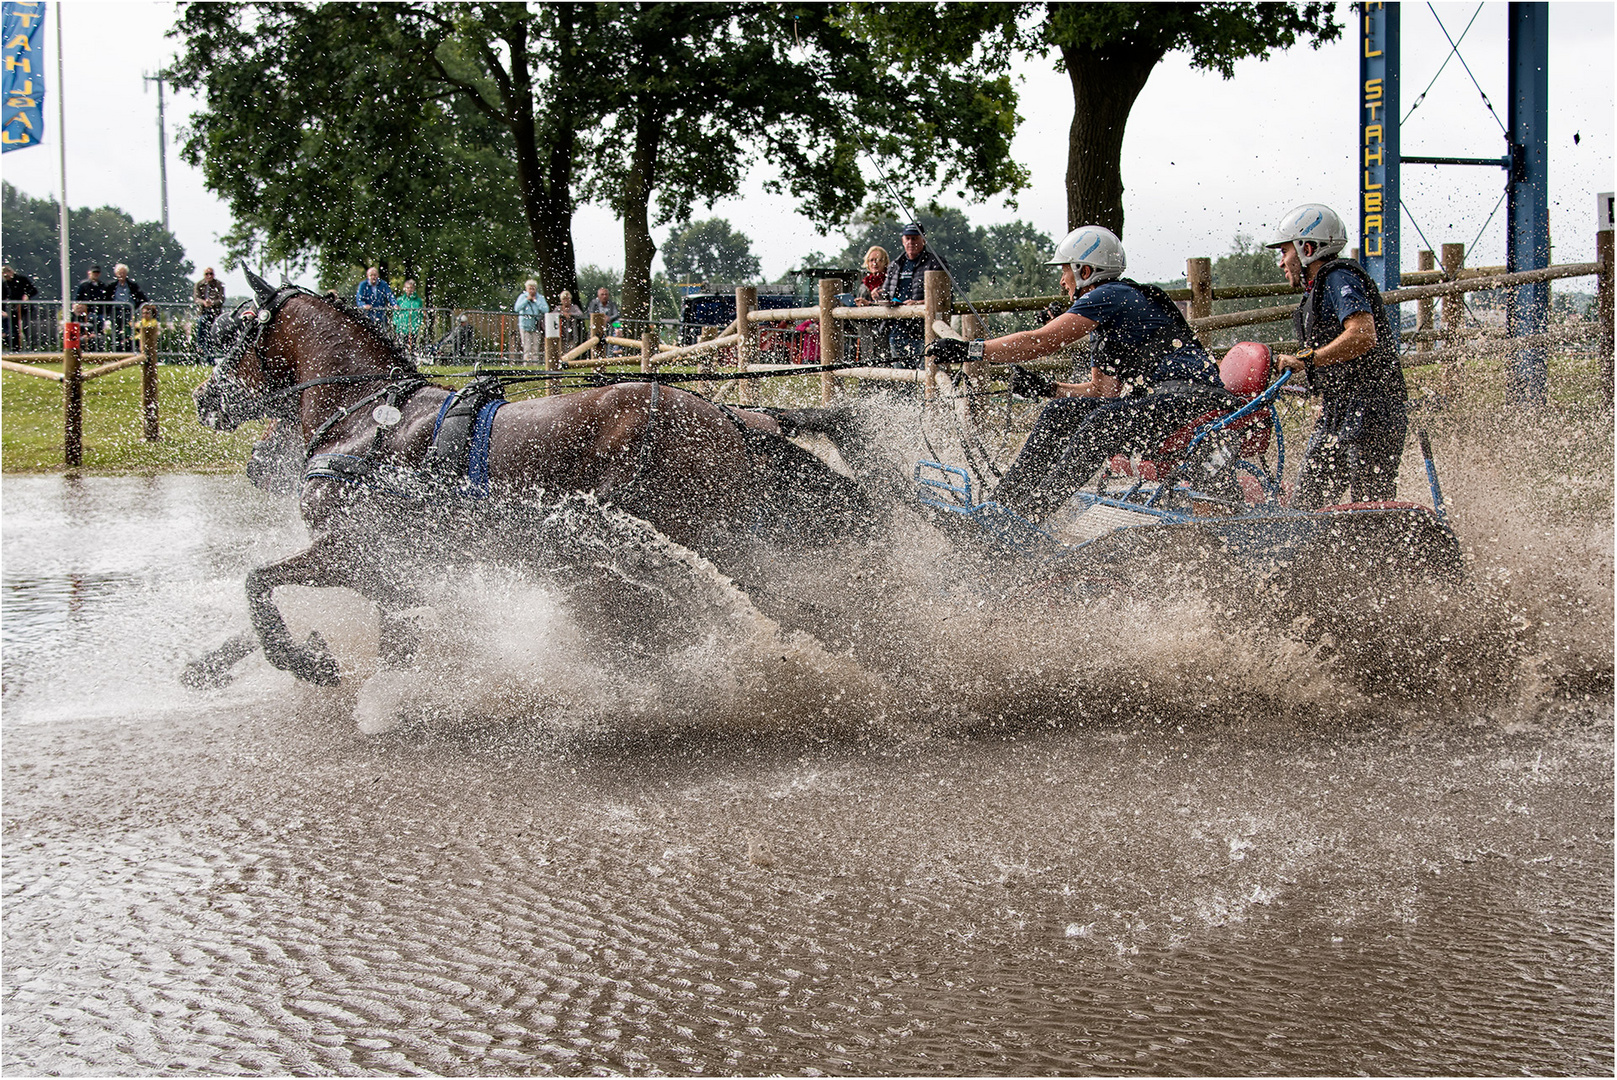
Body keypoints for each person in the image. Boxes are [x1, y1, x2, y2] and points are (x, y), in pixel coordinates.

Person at [925, 225, 1226, 523]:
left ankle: (1030, 516)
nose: (1062, 281)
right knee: (1061, 410)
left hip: (1193, 399)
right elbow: (1102, 392)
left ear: (1085, 270)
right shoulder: (1109, 312)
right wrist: (1048, 388)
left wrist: (971, 350)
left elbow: (1039, 341)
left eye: (1065, 270)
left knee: (1105, 420)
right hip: (1164, 403)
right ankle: (1001, 508)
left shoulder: (1111, 295)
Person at [1266, 203, 1408, 508]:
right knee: (1305, 508)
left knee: (1369, 509)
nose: (1282, 262)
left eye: (1284, 251)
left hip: (1373, 410)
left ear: (1306, 248)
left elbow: (1362, 334)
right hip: (1340, 410)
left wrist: (1306, 360)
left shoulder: (1340, 278)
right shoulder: (1318, 288)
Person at [879, 223, 948, 367]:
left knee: (926, 372)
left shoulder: (935, 262)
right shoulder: (895, 264)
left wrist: (919, 303)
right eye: (908, 238)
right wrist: (876, 298)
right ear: (903, 240)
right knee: (901, 375)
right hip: (898, 329)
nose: (911, 242)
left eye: (915, 238)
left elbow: (944, 297)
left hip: (924, 329)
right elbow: (886, 293)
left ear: (923, 240)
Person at [852, 245, 890, 364]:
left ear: (885, 262)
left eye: (879, 260)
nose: (875, 263)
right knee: (867, 366)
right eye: (871, 260)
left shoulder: (890, 281)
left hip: (884, 332)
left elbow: (892, 305)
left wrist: (870, 304)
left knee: (885, 365)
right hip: (866, 333)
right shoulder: (864, 285)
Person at [107, 264, 148, 352]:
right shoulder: (111, 285)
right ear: (116, 274)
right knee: (116, 331)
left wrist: (139, 306)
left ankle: (130, 350)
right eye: (119, 273)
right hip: (115, 311)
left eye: (123, 273)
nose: (121, 275)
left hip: (129, 311)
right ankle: (116, 350)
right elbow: (106, 298)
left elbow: (141, 297)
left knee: (130, 331)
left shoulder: (132, 285)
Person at [193, 267, 226, 360]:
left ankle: (212, 355)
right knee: (202, 322)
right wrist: (204, 303)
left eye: (211, 274)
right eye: (207, 274)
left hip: (215, 313)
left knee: (212, 335)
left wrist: (212, 303)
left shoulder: (219, 284)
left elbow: (221, 299)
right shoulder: (199, 284)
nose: (209, 276)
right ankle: (201, 346)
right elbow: (196, 299)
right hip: (203, 312)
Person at [2, 264, 38, 352]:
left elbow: (34, 290)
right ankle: (15, 350)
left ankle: (32, 349)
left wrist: (27, 295)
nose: (6, 278)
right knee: (13, 330)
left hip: (25, 308)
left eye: (6, 275)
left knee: (27, 328)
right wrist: (2, 310)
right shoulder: (5, 284)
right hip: (13, 309)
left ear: (11, 272)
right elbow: (2, 297)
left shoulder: (22, 279)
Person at [512, 279, 549, 363]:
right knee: (526, 347)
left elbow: (545, 309)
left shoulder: (540, 298)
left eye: (533, 288)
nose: (532, 291)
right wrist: (527, 300)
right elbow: (517, 308)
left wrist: (536, 301)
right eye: (530, 288)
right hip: (525, 326)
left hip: (536, 326)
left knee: (535, 348)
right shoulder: (522, 297)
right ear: (526, 289)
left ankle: (535, 364)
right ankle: (526, 364)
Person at [392, 278, 425, 351]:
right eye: (408, 288)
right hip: (401, 328)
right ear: (405, 289)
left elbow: (420, 314)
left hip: (413, 328)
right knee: (401, 347)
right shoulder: (400, 300)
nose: (409, 289)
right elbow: (396, 313)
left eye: (411, 288)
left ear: (414, 289)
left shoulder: (418, 301)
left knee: (412, 348)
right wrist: (396, 322)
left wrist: (418, 324)